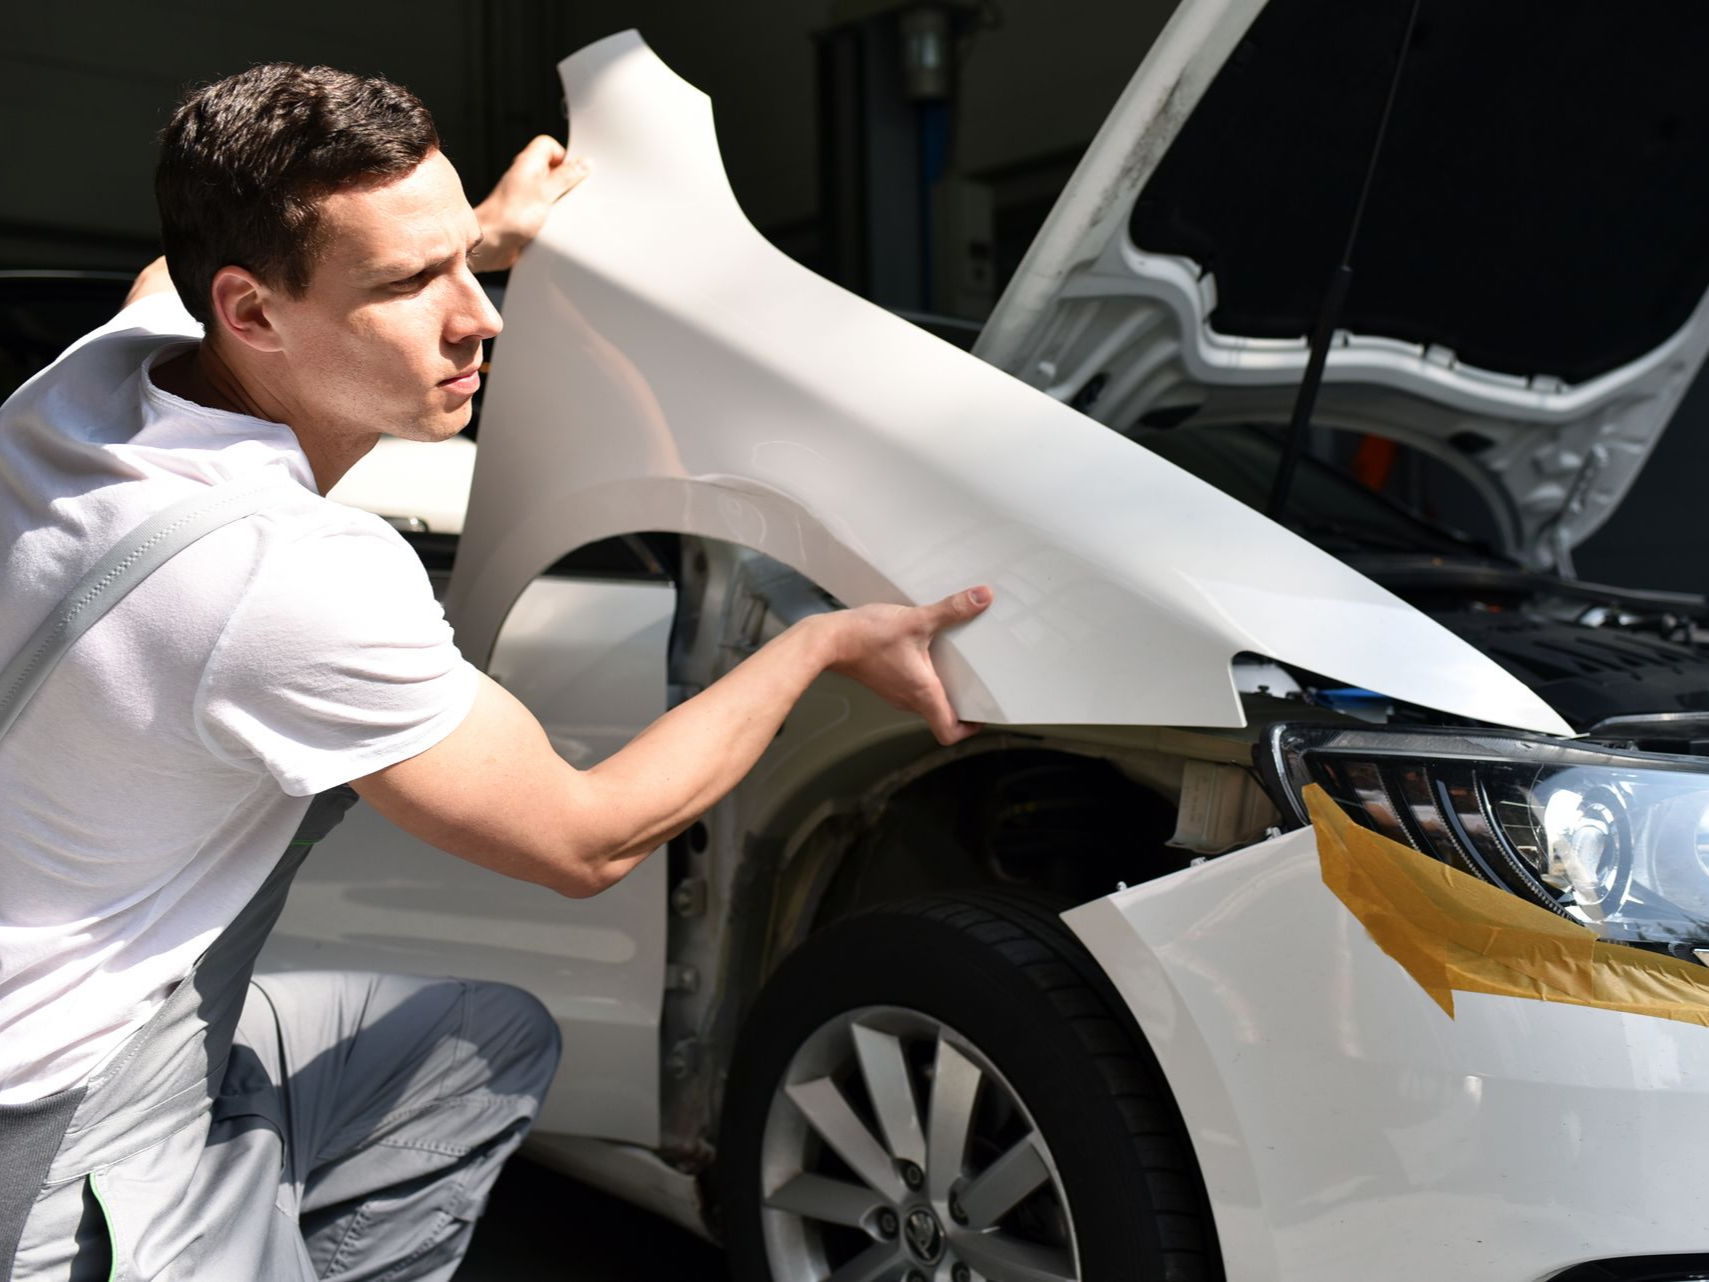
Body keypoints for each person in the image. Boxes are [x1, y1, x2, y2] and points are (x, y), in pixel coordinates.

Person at [0, 63, 991, 1282]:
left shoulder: (87, 386)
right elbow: (585, 839)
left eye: (462, 263)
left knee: (478, 1044)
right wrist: (820, 643)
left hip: (77, 1022)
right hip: (54, 1136)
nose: (481, 316)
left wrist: (474, 233)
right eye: (410, 285)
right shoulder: (285, 576)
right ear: (250, 312)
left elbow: (166, 273)